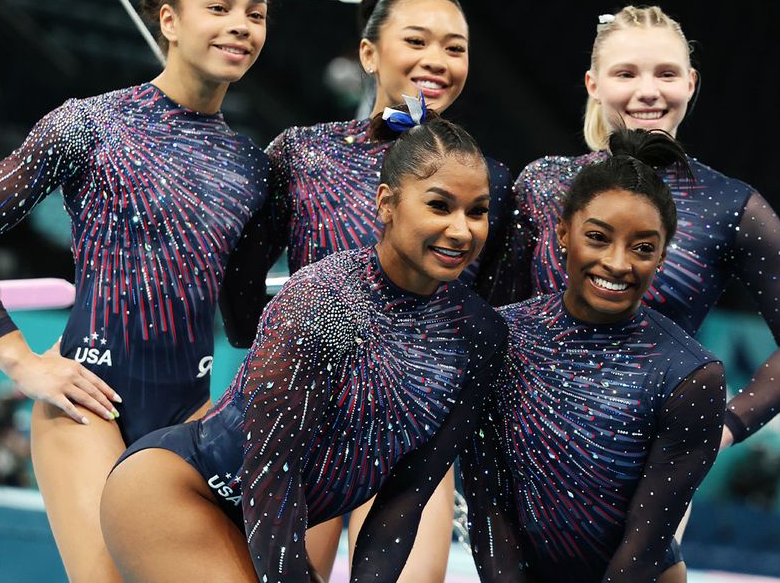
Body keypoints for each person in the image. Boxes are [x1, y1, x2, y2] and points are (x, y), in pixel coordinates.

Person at [0, 0, 271, 581]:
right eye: (218, 7)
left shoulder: (252, 168)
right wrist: (21, 362)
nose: (241, 26)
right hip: (87, 405)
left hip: (188, 414)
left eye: (255, 14)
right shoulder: (92, 125)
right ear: (169, 20)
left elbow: (242, 315)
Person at [489, 5, 780, 581]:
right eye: (626, 74)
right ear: (594, 84)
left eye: (666, 74)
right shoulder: (544, 185)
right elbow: (495, 321)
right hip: (525, 452)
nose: (648, 92)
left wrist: (722, 428)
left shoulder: (731, 207)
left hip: (645, 465)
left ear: (691, 84)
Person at [102, 114, 507, 583]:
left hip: (276, 521)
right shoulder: (324, 301)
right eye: (440, 206)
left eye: (477, 211)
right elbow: (270, 472)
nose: (461, 231)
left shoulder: (478, 334)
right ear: (387, 203)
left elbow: (408, 492)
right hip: (181, 492)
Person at [223, 0, 511, 581]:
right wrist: (279, 368)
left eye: (454, 48)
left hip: (414, 427)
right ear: (369, 53)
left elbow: (493, 316)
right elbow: (242, 287)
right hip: (304, 423)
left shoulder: (487, 183)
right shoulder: (303, 156)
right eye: (416, 40)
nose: (437, 59)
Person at [463, 129, 726, 583]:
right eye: (598, 237)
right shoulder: (499, 338)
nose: (618, 263)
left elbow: (645, 545)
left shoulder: (691, 375)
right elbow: (488, 506)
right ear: (563, 233)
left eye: (643, 248)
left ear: (662, 255)